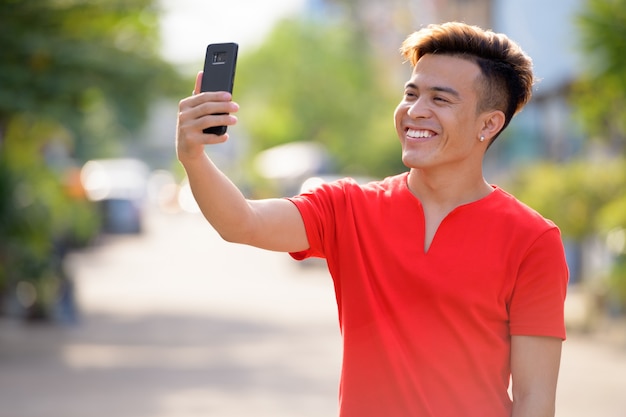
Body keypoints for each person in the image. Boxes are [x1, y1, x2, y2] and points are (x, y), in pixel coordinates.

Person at [176, 21, 568, 417]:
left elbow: (535, 398)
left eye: (440, 100)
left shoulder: (532, 239)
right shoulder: (348, 206)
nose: (415, 111)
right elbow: (242, 222)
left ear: (489, 123)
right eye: (411, 93)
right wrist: (194, 157)